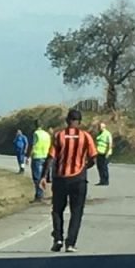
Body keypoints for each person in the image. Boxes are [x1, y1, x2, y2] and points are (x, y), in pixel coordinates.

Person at [40, 108, 97, 253]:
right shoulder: (86, 136)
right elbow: (93, 158)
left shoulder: (59, 135)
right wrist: (84, 167)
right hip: (78, 179)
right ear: (79, 121)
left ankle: (58, 238)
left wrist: (43, 177)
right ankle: (70, 243)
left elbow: (50, 157)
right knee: (76, 212)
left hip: (60, 178)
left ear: (67, 121)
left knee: (57, 210)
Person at [27, 121, 52, 202]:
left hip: (37, 157)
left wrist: (28, 156)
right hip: (46, 156)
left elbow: (33, 145)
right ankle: (43, 193)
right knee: (43, 176)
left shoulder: (36, 134)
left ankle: (39, 195)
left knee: (37, 177)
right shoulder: (47, 134)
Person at [95, 121, 114, 186]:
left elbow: (110, 144)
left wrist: (108, 152)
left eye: (101, 127)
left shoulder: (107, 134)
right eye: (99, 127)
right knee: (99, 167)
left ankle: (106, 181)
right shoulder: (99, 134)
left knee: (104, 167)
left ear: (104, 127)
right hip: (99, 153)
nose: (100, 128)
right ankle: (101, 180)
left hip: (105, 153)